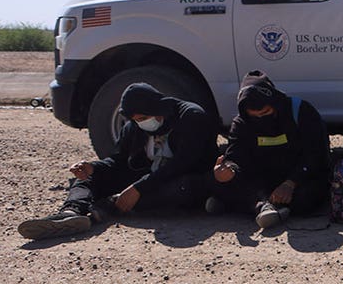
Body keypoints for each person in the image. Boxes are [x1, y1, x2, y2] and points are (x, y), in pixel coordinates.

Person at [18, 83, 216, 240]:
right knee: (89, 177)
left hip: (182, 178)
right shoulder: (135, 127)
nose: (141, 122)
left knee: (182, 188)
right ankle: (71, 212)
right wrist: (93, 167)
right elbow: (119, 161)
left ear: (158, 110)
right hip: (147, 177)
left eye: (144, 117)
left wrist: (138, 188)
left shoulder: (191, 117)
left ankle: (106, 207)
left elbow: (183, 164)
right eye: (136, 119)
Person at [207, 71, 330, 228]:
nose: (261, 118)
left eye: (265, 113)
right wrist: (228, 171)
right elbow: (236, 157)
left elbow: (316, 155)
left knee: (310, 197)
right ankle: (265, 207)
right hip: (261, 181)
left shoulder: (300, 112)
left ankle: (244, 206)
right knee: (215, 181)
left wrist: (290, 183)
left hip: (297, 178)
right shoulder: (241, 123)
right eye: (255, 115)